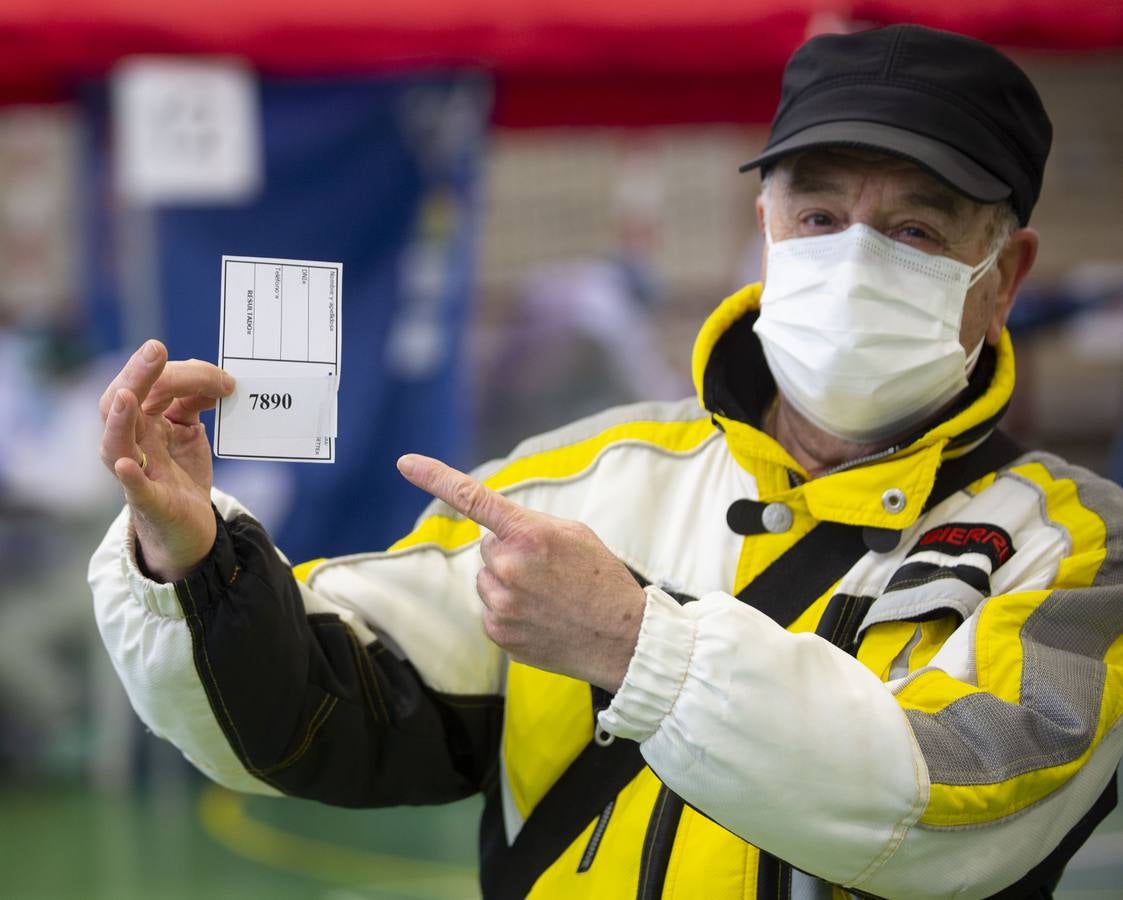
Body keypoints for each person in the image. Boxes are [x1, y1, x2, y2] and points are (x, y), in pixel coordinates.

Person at [90, 25, 1123, 899]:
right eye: (818, 217)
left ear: (1004, 276)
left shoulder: (1078, 553)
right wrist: (191, 557)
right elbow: (322, 707)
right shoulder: (575, 480)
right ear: (764, 227)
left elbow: (954, 806)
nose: (853, 261)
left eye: (913, 230)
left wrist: (640, 646)